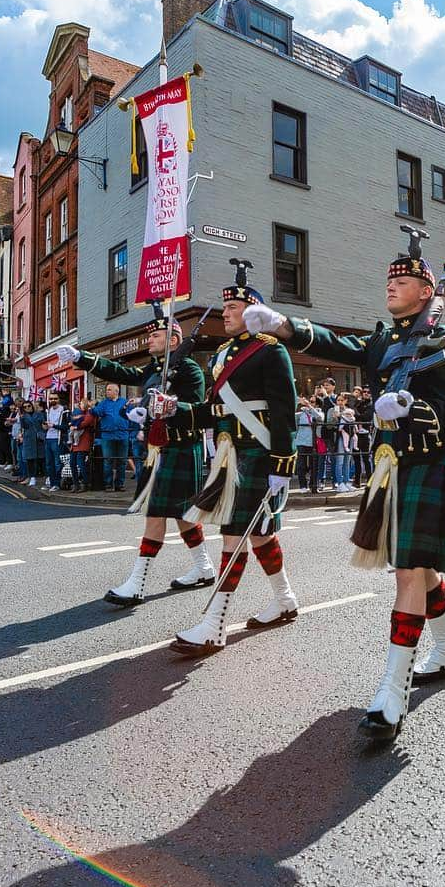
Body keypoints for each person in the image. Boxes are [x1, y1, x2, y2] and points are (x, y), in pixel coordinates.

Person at [243, 232, 445, 742]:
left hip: (425, 463)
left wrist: (413, 408)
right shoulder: (385, 342)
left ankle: (393, 690)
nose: (392, 285)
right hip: (390, 466)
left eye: (403, 279)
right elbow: (337, 346)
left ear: (427, 290)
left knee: (408, 573)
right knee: (419, 568)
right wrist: (284, 325)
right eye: (389, 278)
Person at [150, 259, 300, 654]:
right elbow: (212, 411)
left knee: (235, 534)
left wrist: (282, 464)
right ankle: (284, 599)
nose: (226, 313)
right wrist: (175, 409)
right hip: (228, 454)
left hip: (258, 452)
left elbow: (285, 411)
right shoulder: (221, 353)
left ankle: (214, 623)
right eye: (225, 308)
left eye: (234, 308)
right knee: (261, 534)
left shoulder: (271, 351)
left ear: (253, 312)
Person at [56, 303, 218, 603]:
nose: (149, 341)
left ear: (172, 340)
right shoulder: (157, 369)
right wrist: (84, 358)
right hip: (161, 450)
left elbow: (195, 412)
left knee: (155, 512)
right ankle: (204, 567)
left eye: (156, 337)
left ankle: (138, 583)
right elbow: (124, 372)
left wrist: (159, 409)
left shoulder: (190, 369)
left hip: (181, 447)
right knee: (181, 515)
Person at [92, 383, 130, 491]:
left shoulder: (124, 402)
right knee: (108, 460)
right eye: (107, 390)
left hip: (123, 435)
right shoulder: (104, 403)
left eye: (109, 390)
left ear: (116, 391)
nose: (107, 391)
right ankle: (108, 484)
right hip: (107, 436)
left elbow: (131, 416)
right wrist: (93, 407)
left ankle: (119, 484)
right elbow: (96, 412)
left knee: (122, 461)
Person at [69, 398, 96, 491]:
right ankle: (76, 484)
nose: (80, 405)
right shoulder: (79, 413)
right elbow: (73, 420)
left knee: (80, 463)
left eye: (81, 403)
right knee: (72, 463)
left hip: (84, 441)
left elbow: (85, 423)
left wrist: (75, 425)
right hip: (76, 443)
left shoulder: (90, 413)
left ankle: (85, 483)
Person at [18, 400, 40, 486]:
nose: (27, 408)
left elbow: (41, 424)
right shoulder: (23, 417)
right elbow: (24, 427)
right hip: (28, 439)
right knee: (29, 459)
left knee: (41, 459)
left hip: (38, 438)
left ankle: (46, 477)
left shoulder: (38, 414)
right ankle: (32, 477)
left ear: (32, 406)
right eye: (25, 407)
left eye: (29, 406)